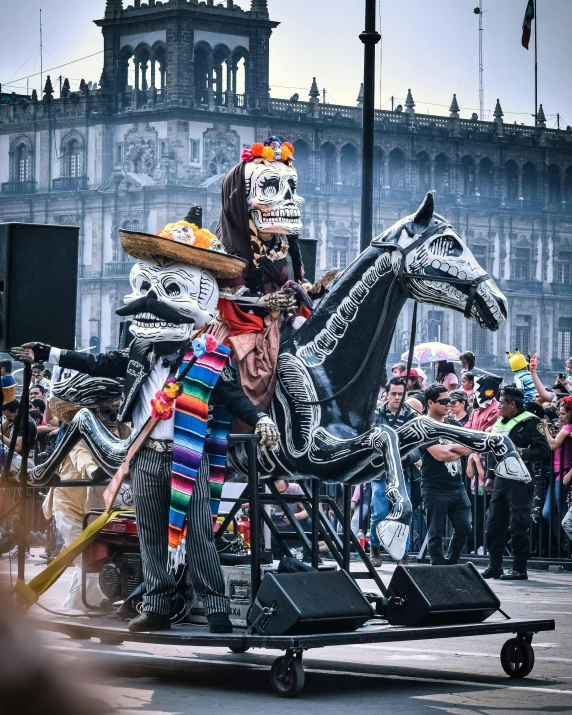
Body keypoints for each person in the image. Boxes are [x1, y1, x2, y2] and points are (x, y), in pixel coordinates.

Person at [12, 221, 280, 635]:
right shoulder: (138, 348)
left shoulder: (208, 355)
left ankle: (216, 607)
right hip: (146, 455)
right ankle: (156, 602)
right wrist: (49, 353)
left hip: (188, 454)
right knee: (151, 532)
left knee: (199, 536)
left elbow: (231, 396)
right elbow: (99, 363)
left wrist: (261, 417)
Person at [42, 394, 108, 610]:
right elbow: (81, 457)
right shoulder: (75, 433)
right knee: (86, 561)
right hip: (67, 506)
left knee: (89, 560)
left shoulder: (108, 433)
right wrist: (93, 471)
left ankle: (80, 608)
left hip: (91, 508)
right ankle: (80, 609)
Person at [482, 385, 551, 580]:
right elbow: (493, 451)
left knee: (518, 524)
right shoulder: (499, 422)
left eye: (502, 403)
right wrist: (489, 476)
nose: (499, 407)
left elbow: (544, 451)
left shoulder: (530, 422)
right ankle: (495, 566)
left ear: (513, 404)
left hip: (520, 480)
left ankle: (519, 568)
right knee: (494, 524)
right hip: (500, 480)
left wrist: (521, 453)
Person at [419, 383, 472, 565]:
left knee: (464, 527)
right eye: (443, 401)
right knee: (436, 531)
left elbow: (469, 447)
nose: (448, 404)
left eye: (449, 400)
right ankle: (438, 567)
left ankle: (453, 562)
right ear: (430, 403)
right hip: (434, 487)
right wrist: (456, 450)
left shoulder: (452, 423)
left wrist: (450, 448)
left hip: (457, 486)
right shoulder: (424, 426)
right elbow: (439, 455)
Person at [370, 377, 419, 566]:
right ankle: (375, 548)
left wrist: (407, 455)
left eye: (401, 394)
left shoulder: (412, 417)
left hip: (403, 472)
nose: (397, 397)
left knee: (403, 513)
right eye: (394, 394)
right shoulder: (375, 415)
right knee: (380, 512)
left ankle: (402, 554)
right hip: (380, 472)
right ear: (387, 394)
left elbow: (418, 445)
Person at [542, 397, 572, 540]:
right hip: (555, 475)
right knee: (547, 512)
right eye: (559, 413)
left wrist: (545, 428)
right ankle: (562, 542)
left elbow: (553, 444)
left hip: (562, 474)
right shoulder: (563, 428)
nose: (559, 416)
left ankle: (566, 546)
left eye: (562, 414)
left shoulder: (567, 428)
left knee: (563, 513)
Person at [270, 479, 312, 560]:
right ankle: (276, 557)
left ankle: (308, 556)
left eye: (283, 491)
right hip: (275, 528)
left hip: (297, 526)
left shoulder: (296, 489)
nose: (282, 494)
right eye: (278, 493)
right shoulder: (267, 491)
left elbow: (309, 510)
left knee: (311, 521)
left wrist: (293, 517)